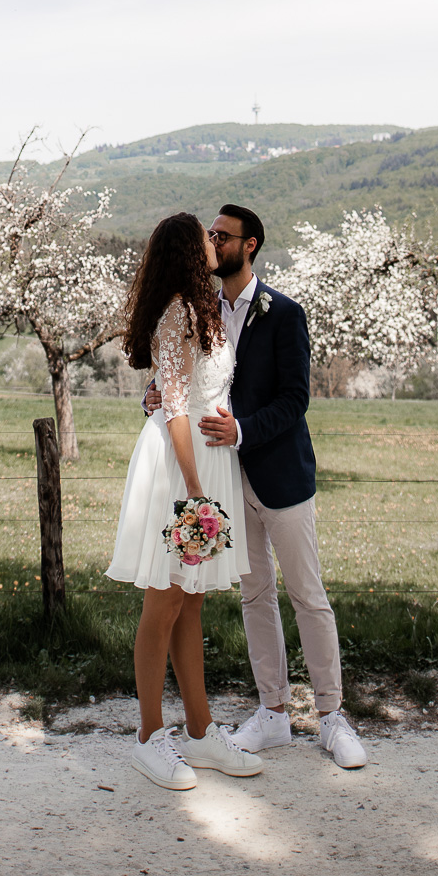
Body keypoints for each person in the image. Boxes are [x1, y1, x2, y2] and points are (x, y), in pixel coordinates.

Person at [198, 203, 367, 770]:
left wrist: (243, 429)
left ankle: (332, 716)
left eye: (222, 235)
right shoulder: (201, 313)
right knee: (253, 594)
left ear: (250, 246)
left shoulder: (284, 314)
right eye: (210, 234)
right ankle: (271, 712)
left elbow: (295, 400)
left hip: (282, 476)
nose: (213, 241)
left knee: (308, 596)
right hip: (225, 478)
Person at [106, 211, 265, 791]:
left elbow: (193, 389)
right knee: (164, 601)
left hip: (206, 463)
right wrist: (195, 488)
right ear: (186, 250)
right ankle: (150, 737)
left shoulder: (202, 310)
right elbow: (173, 404)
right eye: (205, 236)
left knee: (190, 601)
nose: (212, 242)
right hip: (181, 470)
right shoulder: (177, 310)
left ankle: (199, 733)